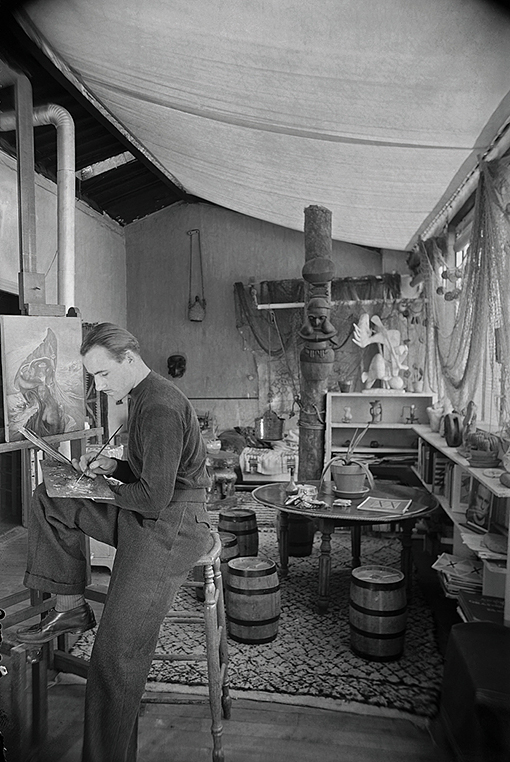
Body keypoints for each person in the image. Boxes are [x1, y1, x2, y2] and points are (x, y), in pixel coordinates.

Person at [16, 323, 213, 762]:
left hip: (172, 526)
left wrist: (99, 486)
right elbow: (146, 478)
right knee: (51, 498)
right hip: (151, 511)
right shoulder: (141, 396)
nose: (100, 386)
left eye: (104, 375)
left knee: (115, 655)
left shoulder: (158, 404)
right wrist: (111, 469)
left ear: (129, 358)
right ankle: (70, 608)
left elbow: (155, 497)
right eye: (93, 378)